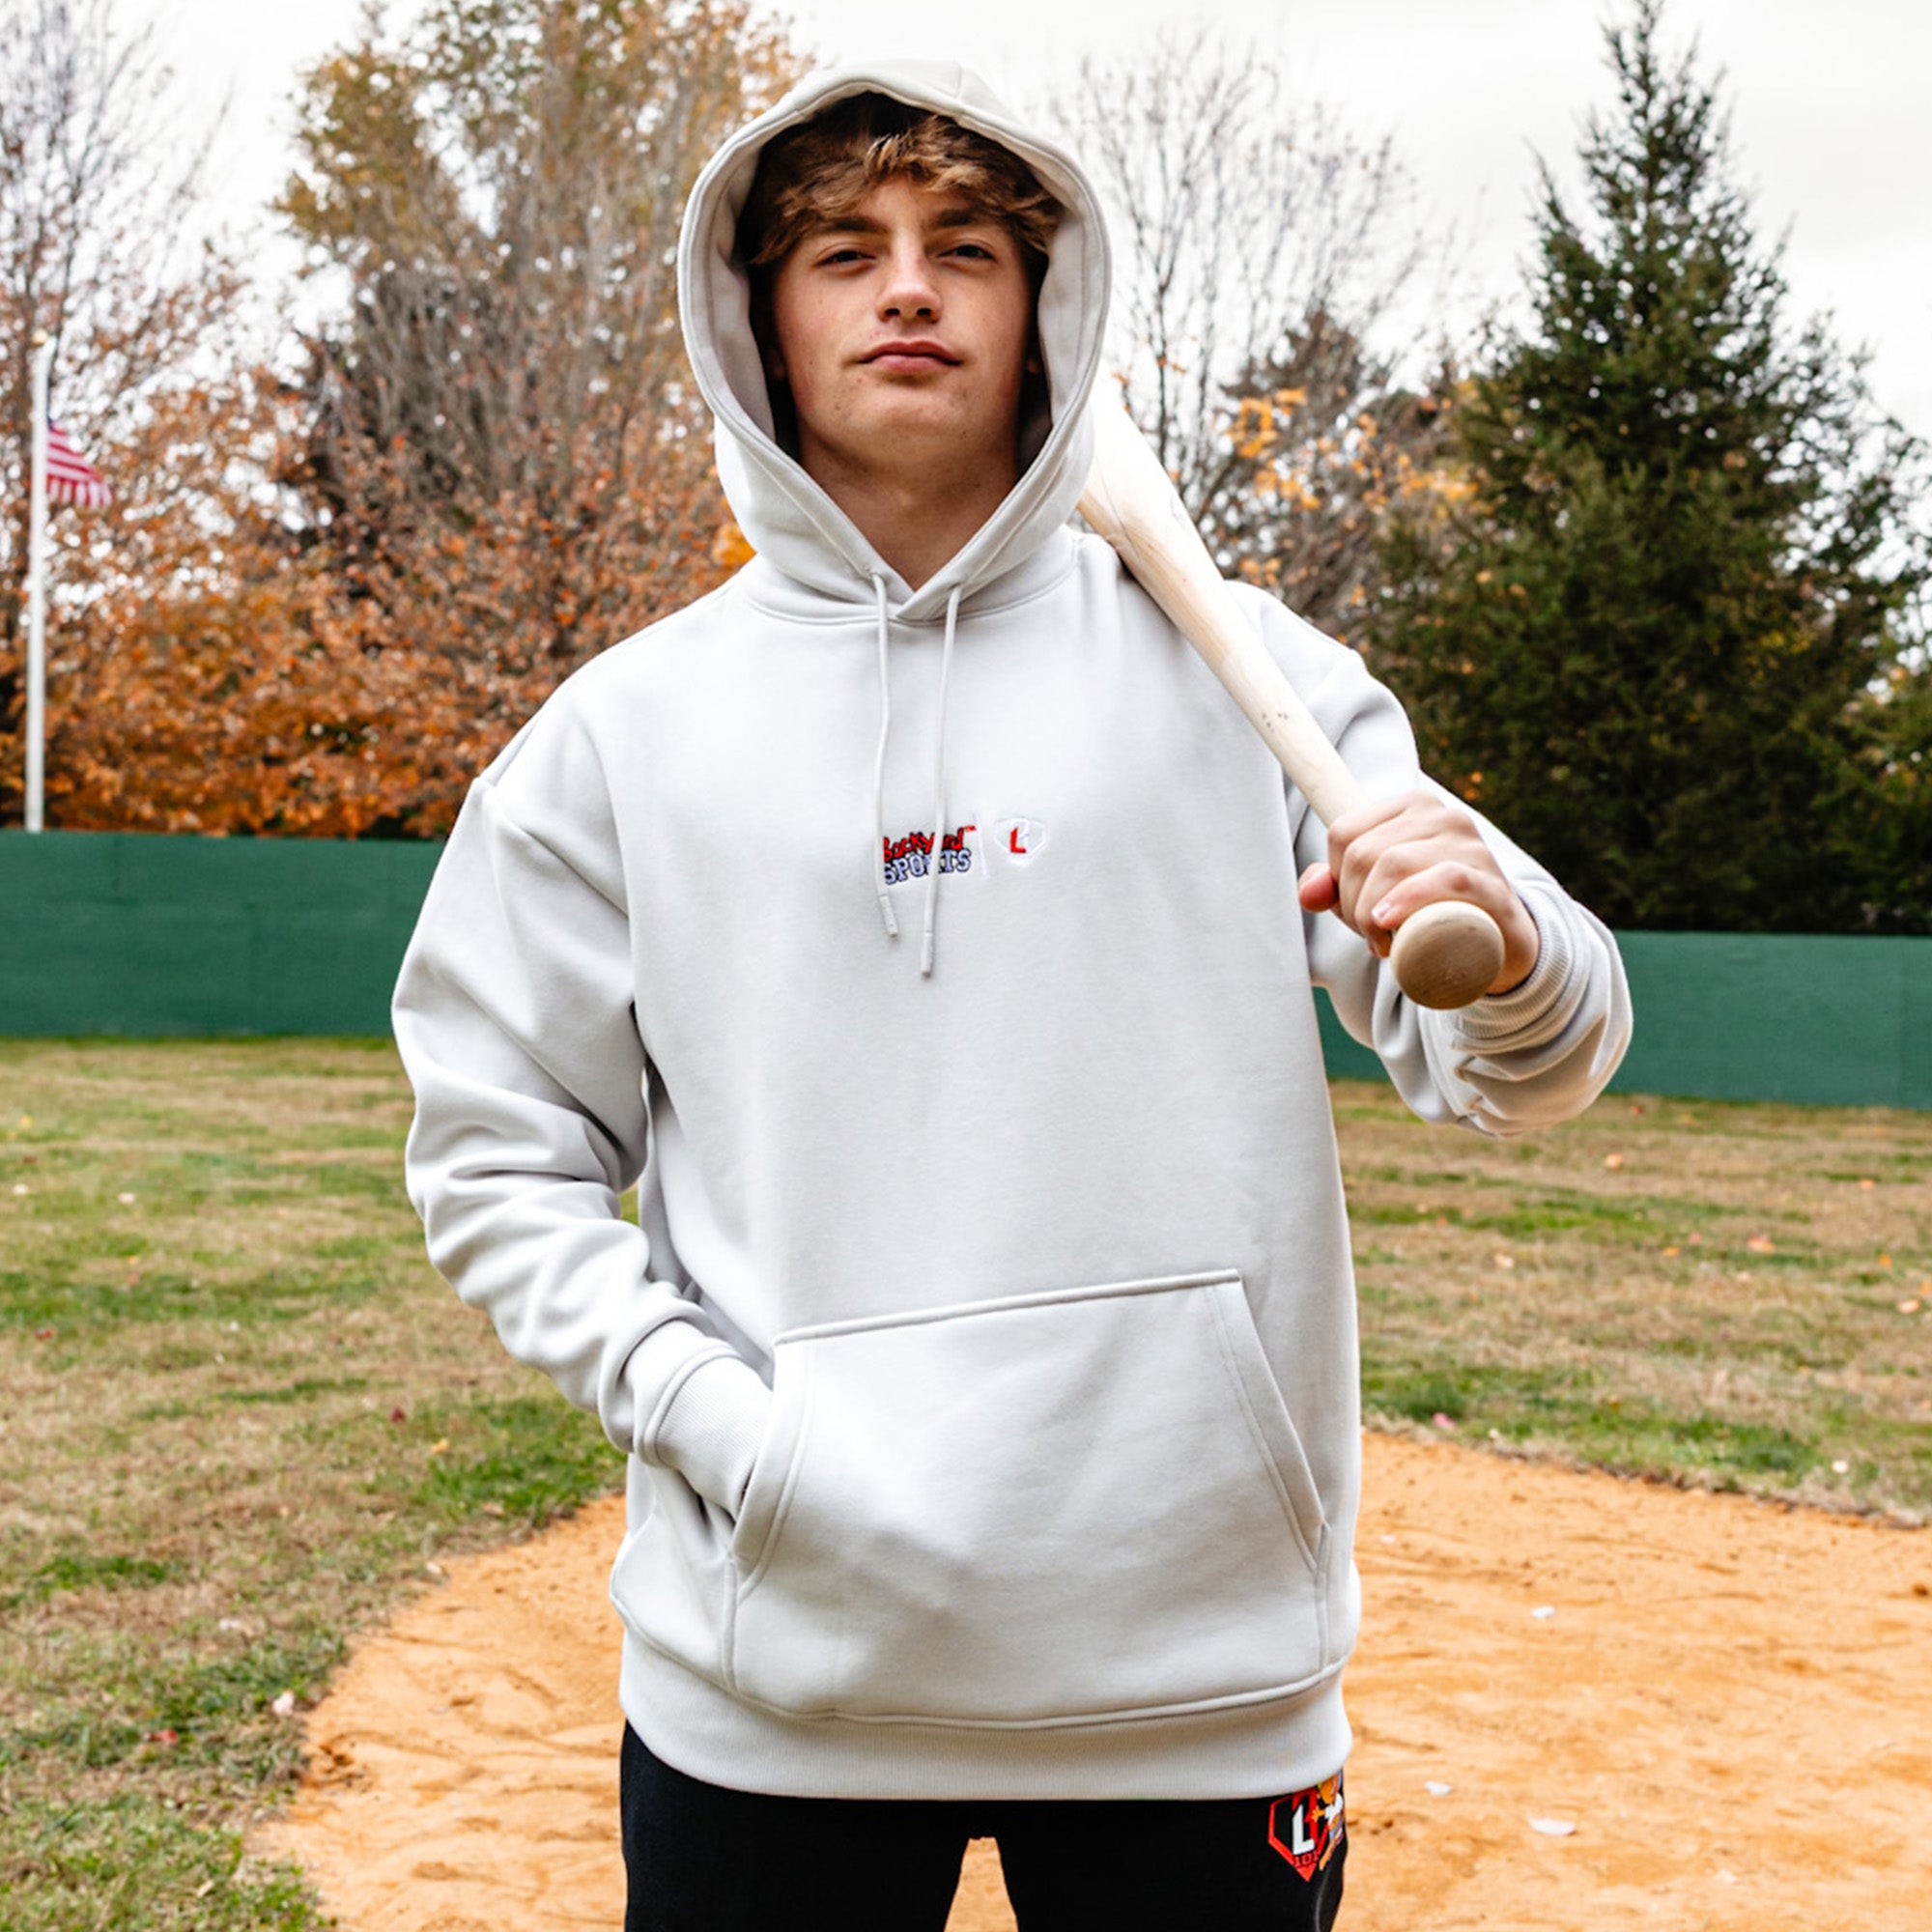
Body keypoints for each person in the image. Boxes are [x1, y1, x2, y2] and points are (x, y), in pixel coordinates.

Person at [392, 61, 1632, 1932]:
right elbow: (499, 1160)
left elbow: (1521, 1071)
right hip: (779, 1675)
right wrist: (736, 1432)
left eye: (962, 248)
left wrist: (1511, 947)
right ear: (757, 311)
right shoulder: (623, 735)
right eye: (843, 249)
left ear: (1043, 310)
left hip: (1195, 1673)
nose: (907, 289)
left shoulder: (1251, 676)